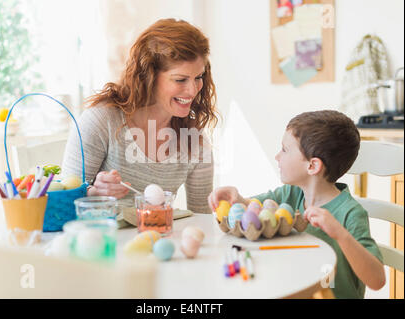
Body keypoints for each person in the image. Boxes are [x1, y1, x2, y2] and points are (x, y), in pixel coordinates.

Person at [208, 110, 385, 298]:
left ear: (312, 166)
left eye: (285, 149)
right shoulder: (291, 194)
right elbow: (254, 211)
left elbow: (377, 280)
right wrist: (237, 199)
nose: (277, 156)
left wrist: (340, 235)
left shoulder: (350, 213)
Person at [62, 18, 218, 214]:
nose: (193, 90)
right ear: (149, 76)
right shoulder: (102, 121)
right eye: (180, 79)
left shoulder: (194, 140)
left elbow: (202, 219)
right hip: (102, 242)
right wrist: (93, 194)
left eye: (198, 77)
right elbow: (61, 205)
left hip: (158, 241)